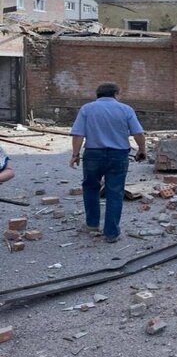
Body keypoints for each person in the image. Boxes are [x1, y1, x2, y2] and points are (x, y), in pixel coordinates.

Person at [69, 83, 147, 243]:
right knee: (115, 192)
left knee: (90, 188)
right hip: (118, 155)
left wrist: (75, 155)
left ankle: (92, 224)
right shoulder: (126, 109)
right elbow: (138, 133)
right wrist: (142, 149)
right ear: (116, 94)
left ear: (97, 94)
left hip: (93, 154)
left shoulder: (86, 109)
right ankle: (111, 233)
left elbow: (78, 134)